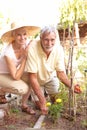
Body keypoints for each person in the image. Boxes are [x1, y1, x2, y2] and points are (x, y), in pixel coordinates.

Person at [25, 25, 81, 115]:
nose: (49, 43)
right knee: (40, 105)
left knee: (57, 101)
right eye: (46, 39)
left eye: (52, 40)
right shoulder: (33, 48)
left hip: (50, 77)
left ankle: (47, 95)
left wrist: (72, 86)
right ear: (41, 38)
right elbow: (32, 77)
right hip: (36, 81)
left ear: (55, 39)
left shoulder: (58, 49)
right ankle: (41, 96)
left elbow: (61, 74)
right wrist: (42, 101)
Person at [0, 21, 40, 115]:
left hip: (11, 73)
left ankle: (24, 105)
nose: (22, 38)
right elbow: (16, 77)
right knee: (23, 89)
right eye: (19, 35)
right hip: (2, 74)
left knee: (31, 77)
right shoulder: (8, 53)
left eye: (24, 34)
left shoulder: (26, 44)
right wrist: (25, 57)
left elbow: (37, 42)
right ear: (13, 36)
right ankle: (1, 90)